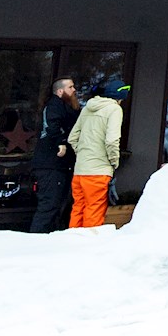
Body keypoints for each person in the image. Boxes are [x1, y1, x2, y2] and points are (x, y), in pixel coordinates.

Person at [28, 77, 83, 232]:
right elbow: (53, 126)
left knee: (56, 205)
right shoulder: (54, 105)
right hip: (51, 165)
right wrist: (61, 143)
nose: (74, 90)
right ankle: (36, 240)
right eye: (70, 87)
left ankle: (48, 240)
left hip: (59, 166)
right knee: (49, 205)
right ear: (60, 91)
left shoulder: (67, 107)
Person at [68, 85, 125, 228]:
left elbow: (72, 138)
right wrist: (113, 162)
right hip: (98, 171)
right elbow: (112, 140)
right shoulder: (114, 109)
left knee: (78, 209)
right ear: (120, 98)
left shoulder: (87, 108)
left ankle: (70, 244)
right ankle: (88, 246)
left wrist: (83, 154)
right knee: (94, 211)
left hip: (80, 170)